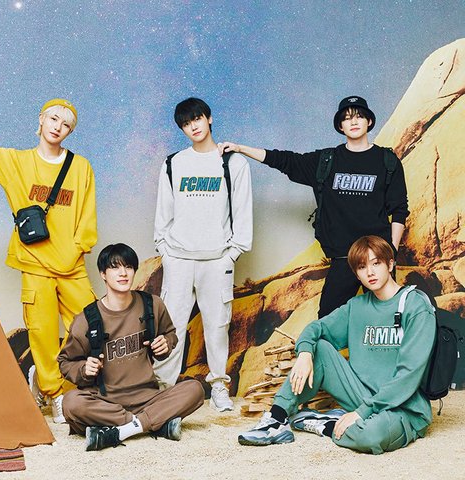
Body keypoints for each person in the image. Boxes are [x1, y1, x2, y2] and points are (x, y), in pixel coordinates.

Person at [238, 235, 436, 454]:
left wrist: (361, 412)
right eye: (362, 267)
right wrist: (305, 353)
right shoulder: (356, 306)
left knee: (370, 436)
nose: (370, 272)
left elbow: (408, 375)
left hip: (403, 407)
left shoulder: (416, 305)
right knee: (319, 348)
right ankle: (276, 420)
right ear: (356, 274)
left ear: (390, 264)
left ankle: (327, 424)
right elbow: (315, 329)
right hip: (360, 395)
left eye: (376, 263)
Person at [219, 96, 409, 318]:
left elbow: (399, 209)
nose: (354, 121)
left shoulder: (387, 160)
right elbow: (284, 160)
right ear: (340, 126)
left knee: (388, 319)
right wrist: (241, 148)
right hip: (342, 258)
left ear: (369, 121)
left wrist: (391, 251)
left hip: (377, 257)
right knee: (327, 322)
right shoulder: (326, 160)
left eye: (359, 116)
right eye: (347, 118)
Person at [0, 98, 97, 423]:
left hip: (71, 266)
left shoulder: (81, 167)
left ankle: (64, 382)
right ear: (41, 120)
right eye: (53, 119)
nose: (58, 127)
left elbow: (87, 220)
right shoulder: (17, 163)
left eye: (66, 124)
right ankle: (55, 393)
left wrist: (76, 249)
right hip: (34, 265)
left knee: (92, 328)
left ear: (70, 131)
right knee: (43, 332)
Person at [153, 97, 253, 411]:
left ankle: (219, 387)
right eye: (186, 123)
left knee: (217, 325)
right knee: (171, 327)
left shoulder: (233, 163)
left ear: (208, 118)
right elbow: (163, 212)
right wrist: (164, 250)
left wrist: (232, 254)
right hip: (179, 258)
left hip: (217, 259)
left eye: (197, 119)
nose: (193, 126)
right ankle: (162, 390)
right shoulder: (173, 163)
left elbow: (243, 212)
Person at [58, 243, 204, 451]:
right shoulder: (87, 319)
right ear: (103, 274)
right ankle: (154, 424)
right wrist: (83, 369)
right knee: (71, 402)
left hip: (148, 398)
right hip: (105, 403)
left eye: (128, 267)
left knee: (195, 389)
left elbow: (170, 334)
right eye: (115, 267)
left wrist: (165, 343)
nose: (123, 273)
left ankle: (120, 431)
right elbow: (65, 362)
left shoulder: (152, 305)